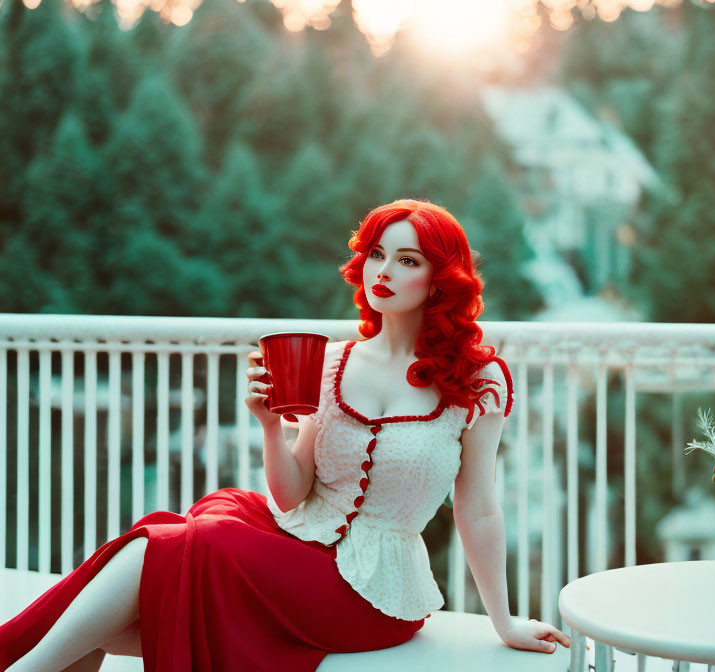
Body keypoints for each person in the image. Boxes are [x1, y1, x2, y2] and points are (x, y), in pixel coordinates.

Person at [0, 199, 570, 671]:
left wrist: (505, 620)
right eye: (375, 255)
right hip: (289, 537)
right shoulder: (329, 364)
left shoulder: (477, 379)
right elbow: (293, 493)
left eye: (406, 259)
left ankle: (26, 664)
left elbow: (479, 508)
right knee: (166, 543)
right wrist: (270, 425)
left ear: (440, 278)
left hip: (374, 592)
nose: (384, 272)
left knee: (184, 546)